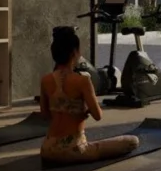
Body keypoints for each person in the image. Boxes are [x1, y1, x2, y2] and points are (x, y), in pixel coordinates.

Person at [39, 27, 139, 163]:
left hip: (47, 149)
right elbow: (98, 115)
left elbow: (45, 115)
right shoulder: (83, 81)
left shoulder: (45, 80)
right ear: (74, 53)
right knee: (132, 141)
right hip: (74, 149)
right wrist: (84, 109)